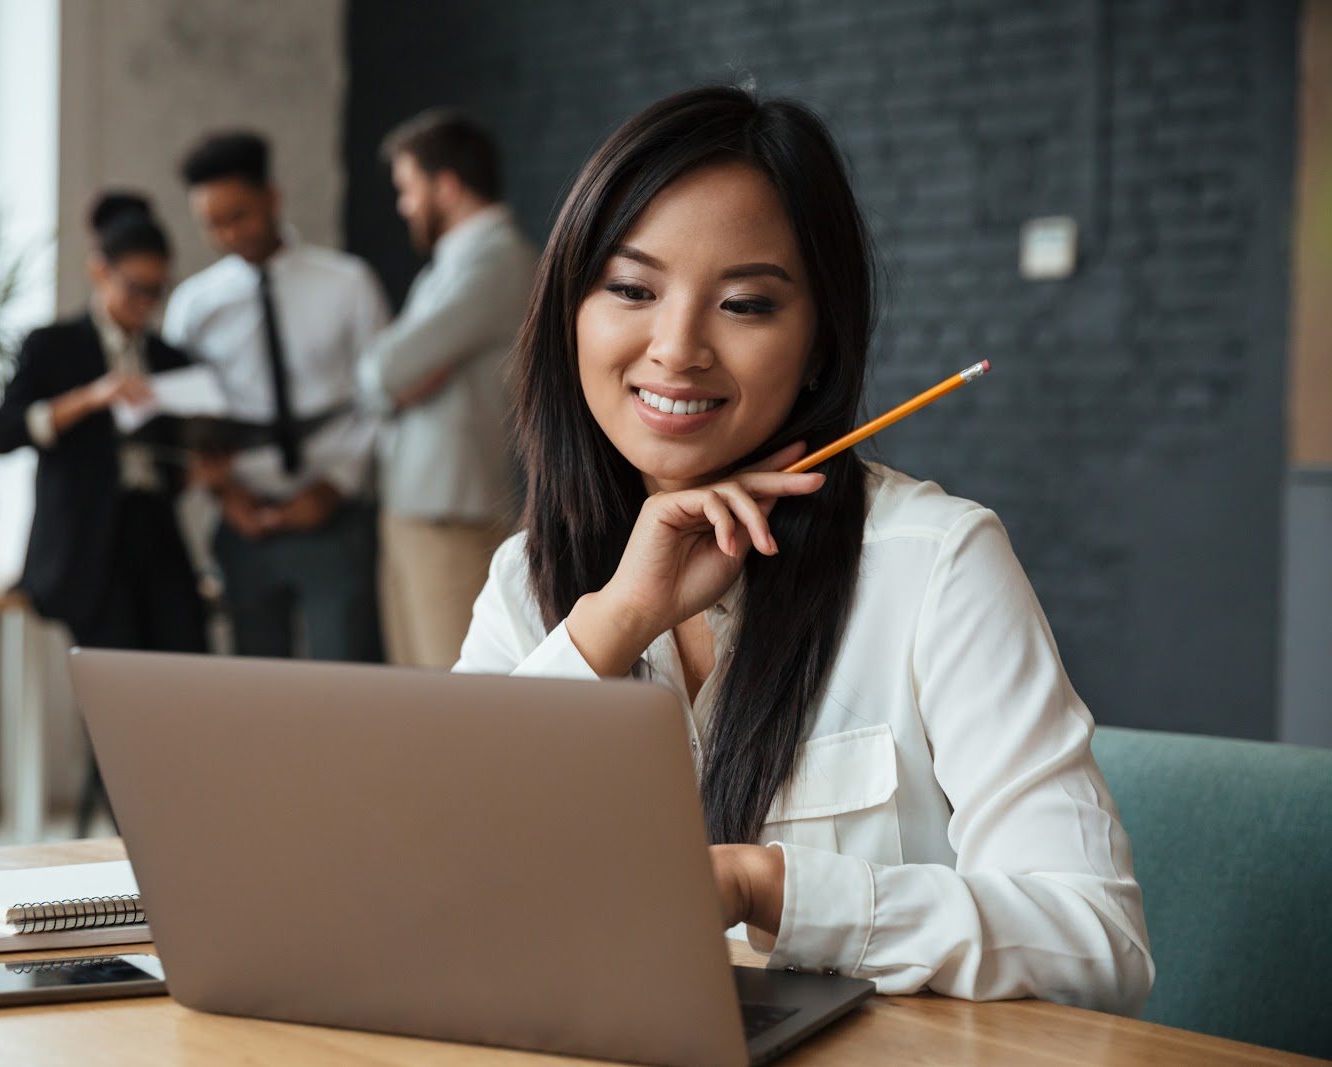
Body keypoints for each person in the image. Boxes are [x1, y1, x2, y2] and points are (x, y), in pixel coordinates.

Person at [455, 87, 1155, 1014]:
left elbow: (1098, 945)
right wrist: (616, 620)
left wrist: (765, 887)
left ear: (819, 342)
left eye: (744, 303)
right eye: (631, 289)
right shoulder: (528, 579)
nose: (676, 348)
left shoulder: (935, 564)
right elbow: (451, 875)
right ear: (569, 311)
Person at [0, 193, 208, 832]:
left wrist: (201, 462)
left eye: (157, 292)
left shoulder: (170, 358)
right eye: (136, 288)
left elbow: (182, 461)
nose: (146, 304)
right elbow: (2, 434)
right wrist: (89, 399)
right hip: (87, 547)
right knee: (119, 702)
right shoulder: (53, 346)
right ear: (100, 272)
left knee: (186, 681)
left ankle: (185, 825)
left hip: (155, 538)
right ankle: (138, 840)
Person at [166, 131, 388, 662]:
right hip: (244, 524)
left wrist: (337, 486)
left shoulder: (348, 283)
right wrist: (227, 497)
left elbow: (381, 399)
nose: (226, 234)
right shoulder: (194, 307)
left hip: (335, 516)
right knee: (254, 695)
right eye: (211, 223)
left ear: (272, 198)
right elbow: (181, 418)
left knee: (345, 686)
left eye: (238, 215)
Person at [358, 109, 539, 668]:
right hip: (419, 508)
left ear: (448, 185)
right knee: (418, 698)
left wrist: (395, 370)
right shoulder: (453, 263)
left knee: (452, 701)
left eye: (407, 189)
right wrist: (398, 372)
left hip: (451, 514)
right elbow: (389, 374)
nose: (403, 206)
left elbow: (382, 371)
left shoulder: (498, 259)